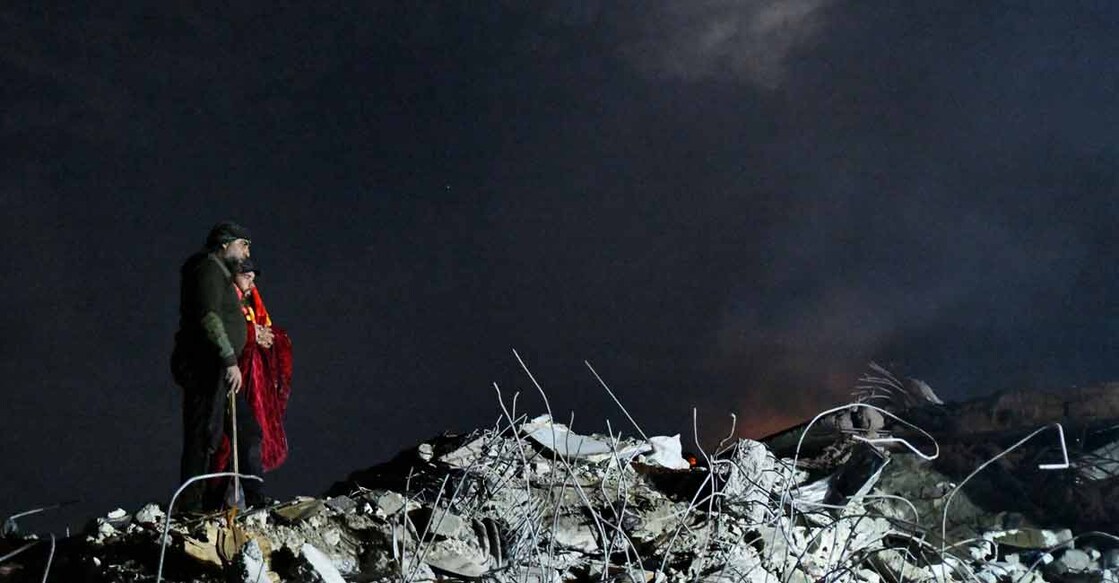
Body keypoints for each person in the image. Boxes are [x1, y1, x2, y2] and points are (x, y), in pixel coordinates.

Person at [171, 221, 265, 512]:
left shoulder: (222, 275)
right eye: (243, 243)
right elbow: (209, 317)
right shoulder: (209, 269)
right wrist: (228, 359)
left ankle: (251, 500)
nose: (247, 250)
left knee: (245, 431)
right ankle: (191, 505)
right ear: (224, 244)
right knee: (202, 434)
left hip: (220, 370)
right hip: (206, 366)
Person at [210, 260, 293, 493]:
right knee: (230, 439)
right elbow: (224, 333)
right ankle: (235, 496)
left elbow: (262, 330)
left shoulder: (251, 303)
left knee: (245, 436)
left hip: (243, 381)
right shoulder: (226, 302)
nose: (251, 283)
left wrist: (267, 338)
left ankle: (245, 495)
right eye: (247, 277)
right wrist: (250, 335)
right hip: (224, 380)